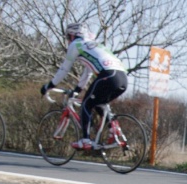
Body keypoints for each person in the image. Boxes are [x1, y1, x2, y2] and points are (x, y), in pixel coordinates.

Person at [41, 22, 127, 150]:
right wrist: (78, 89)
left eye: (67, 37)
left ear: (72, 35)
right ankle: (114, 132)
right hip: (122, 77)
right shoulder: (94, 45)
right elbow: (88, 72)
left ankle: (86, 140)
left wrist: (50, 85)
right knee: (99, 103)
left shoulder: (76, 45)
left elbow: (64, 69)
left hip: (108, 75)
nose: (68, 40)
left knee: (86, 104)